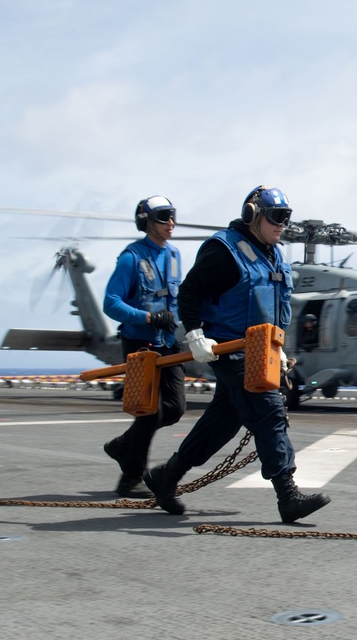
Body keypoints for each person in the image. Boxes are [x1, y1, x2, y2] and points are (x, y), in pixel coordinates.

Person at [143, 185, 331, 522]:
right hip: (231, 351)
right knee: (269, 410)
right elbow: (190, 293)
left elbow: (277, 311)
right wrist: (196, 334)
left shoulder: (275, 254)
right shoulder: (225, 252)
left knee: (222, 422)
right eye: (276, 218)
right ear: (252, 215)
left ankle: (166, 477)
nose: (281, 225)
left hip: (263, 352)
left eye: (286, 219)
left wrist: (280, 351)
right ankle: (287, 496)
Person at [101, 196, 186, 498]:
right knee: (149, 413)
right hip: (140, 344)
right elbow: (110, 303)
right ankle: (131, 479)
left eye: (172, 216)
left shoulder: (174, 255)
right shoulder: (131, 258)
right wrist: (147, 316)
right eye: (163, 217)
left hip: (168, 342)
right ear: (147, 221)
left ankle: (123, 445)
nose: (171, 223)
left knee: (175, 409)